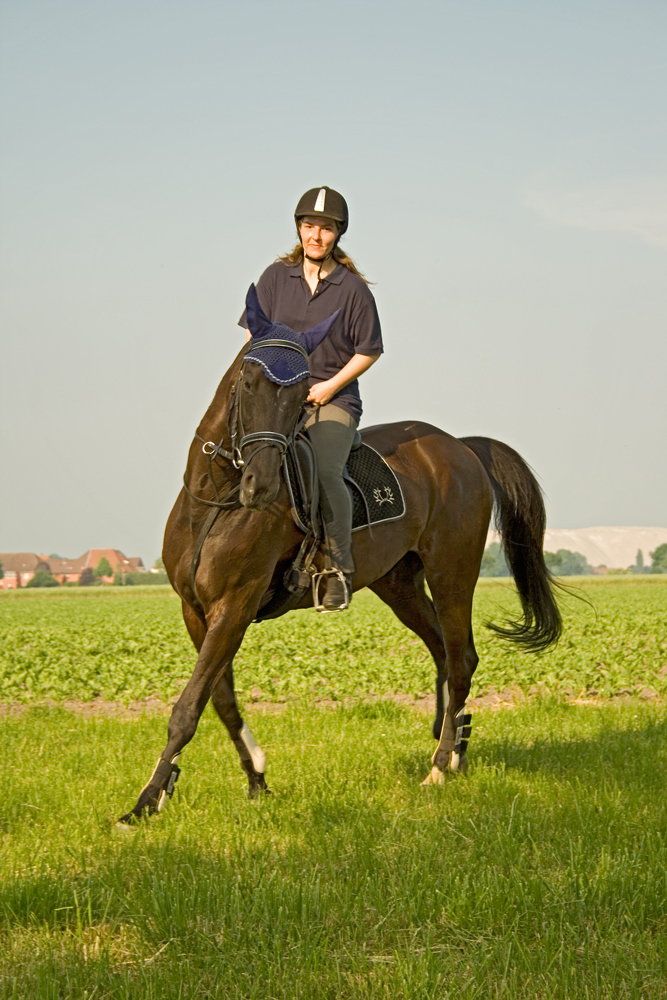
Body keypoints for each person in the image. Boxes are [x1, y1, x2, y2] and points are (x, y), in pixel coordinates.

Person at [239, 185, 383, 611]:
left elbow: (369, 350)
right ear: (299, 229)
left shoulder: (353, 288)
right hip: (279, 398)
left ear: (337, 234)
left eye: (325, 229)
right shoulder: (273, 277)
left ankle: (338, 568)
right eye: (309, 226)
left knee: (323, 470)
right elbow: (254, 335)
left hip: (330, 401)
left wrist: (328, 387)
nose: (316, 236)